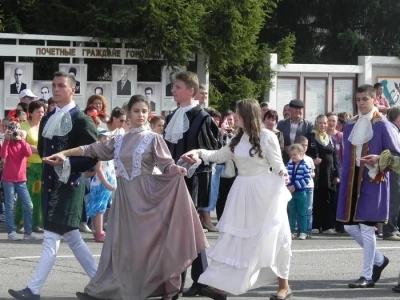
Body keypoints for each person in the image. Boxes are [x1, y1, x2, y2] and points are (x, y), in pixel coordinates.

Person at [43, 95, 207, 300]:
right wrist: (65, 153)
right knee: (121, 247)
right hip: (124, 199)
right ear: (128, 113)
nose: (141, 115)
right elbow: (92, 149)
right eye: (136, 110)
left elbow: (166, 165)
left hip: (147, 198)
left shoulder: (153, 138)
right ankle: (111, 290)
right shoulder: (118, 140)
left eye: (144, 111)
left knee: (147, 245)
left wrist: (178, 168)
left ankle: (158, 287)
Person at [181, 99, 292, 300]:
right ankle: (220, 287)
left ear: (247, 115)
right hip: (241, 190)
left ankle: (284, 287)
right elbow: (218, 155)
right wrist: (198, 153)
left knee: (272, 236)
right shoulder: (237, 139)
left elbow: (277, 163)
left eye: (238, 113)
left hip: (264, 190)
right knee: (234, 238)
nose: (234, 116)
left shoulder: (267, 136)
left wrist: (284, 176)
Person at [8, 71, 98, 300]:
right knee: (73, 239)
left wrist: (67, 161)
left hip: (69, 186)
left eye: (61, 86)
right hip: (50, 184)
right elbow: (46, 151)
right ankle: (102, 284)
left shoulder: (82, 120)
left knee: (50, 238)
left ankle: (33, 289)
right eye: (54, 85)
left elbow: (92, 156)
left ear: (72, 90)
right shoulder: (48, 118)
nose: (56, 89)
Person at [336, 84, 399, 289]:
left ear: (375, 100)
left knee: (365, 228)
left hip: (373, 179)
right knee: (349, 225)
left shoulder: (382, 124)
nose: (361, 103)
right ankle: (379, 260)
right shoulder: (350, 124)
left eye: (365, 99)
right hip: (352, 179)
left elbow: (396, 153)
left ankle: (367, 275)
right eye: (358, 99)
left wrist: (379, 158)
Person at [164, 71, 220, 297]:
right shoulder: (171, 117)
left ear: (191, 91)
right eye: (173, 87)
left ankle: (182, 282)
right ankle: (200, 278)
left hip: (195, 179)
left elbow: (214, 150)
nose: (173, 90)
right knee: (188, 232)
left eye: (177, 87)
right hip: (173, 179)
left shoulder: (204, 118)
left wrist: (195, 159)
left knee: (186, 230)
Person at [1, 121, 38, 241]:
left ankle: (28, 232)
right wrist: (7, 139)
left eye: (16, 130)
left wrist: (21, 139)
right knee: (10, 206)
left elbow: (28, 152)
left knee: (29, 206)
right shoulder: (7, 143)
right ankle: (11, 232)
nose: (14, 133)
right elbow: (3, 155)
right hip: (8, 179)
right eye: (12, 131)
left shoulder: (22, 143)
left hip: (21, 180)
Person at [306, 115, 340, 234]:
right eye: (320, 123)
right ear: (316, 123)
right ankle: (315, 225)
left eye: (325, 123)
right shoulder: (311, 137)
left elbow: (335, 158)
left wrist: (337, 175)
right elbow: (303, 154)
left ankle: (327, 226)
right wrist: (312, 161)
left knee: (328, 200)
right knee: (316, 199)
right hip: (316, 175)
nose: (323, 125)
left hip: (329, 175)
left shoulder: (331, 139)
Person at [17, 101, 46, 233]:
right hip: (27, 165)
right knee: (25, 194)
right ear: (31, 112)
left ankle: (36, 223)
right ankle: (21, 222)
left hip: (42, 164)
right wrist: (41, 150)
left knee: (38, 195)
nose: (41, 114)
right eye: (38, 111)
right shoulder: (23, 126)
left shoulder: (44, 126)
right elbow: (23, 145)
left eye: (42, 111)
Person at [86, 129, 117, 243]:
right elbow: (98, 169)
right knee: (99, 208)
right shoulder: (100, 153)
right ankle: (99, 232)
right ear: (99, 139)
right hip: (101, 184)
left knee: (100, 207)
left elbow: (109, 168)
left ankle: (97, 231)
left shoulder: (108, 153)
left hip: (105, 183)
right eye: (105, 138)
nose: (108, 140)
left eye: (109, 138)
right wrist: (107, 184)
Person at [286, 143, 312, 240]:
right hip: (290, 193)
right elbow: (285, 176)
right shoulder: (289, 165)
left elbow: (307, 178)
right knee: (291, 212)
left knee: (302, 213)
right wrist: (288, 186)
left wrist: (295, 186)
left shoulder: (305, 165)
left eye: (295, 154)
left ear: (301, 154)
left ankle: (303, 232)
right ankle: (292, 231)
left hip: (301, 192)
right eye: (291, 155)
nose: (293, 156)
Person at [277, 99, 313, 164]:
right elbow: (277, 140)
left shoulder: (308, 125)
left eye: (300, 108)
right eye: (296, 108)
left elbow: (310, 143)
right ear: (290, 109)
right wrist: (284, 148)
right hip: (285, 159)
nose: (298, 111)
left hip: (301, 160)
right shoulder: (281, 124)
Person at [294, 136, 315, 238]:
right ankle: (300, 229)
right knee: (299, 209)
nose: (304, 147)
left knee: (308, 209)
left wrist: (310, 174)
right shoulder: (293, 158)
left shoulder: (309, 159)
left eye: (306, 145)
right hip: (298, 187)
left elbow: (313, 172)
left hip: (309, 186)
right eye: (302, 145)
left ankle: (308, 229)